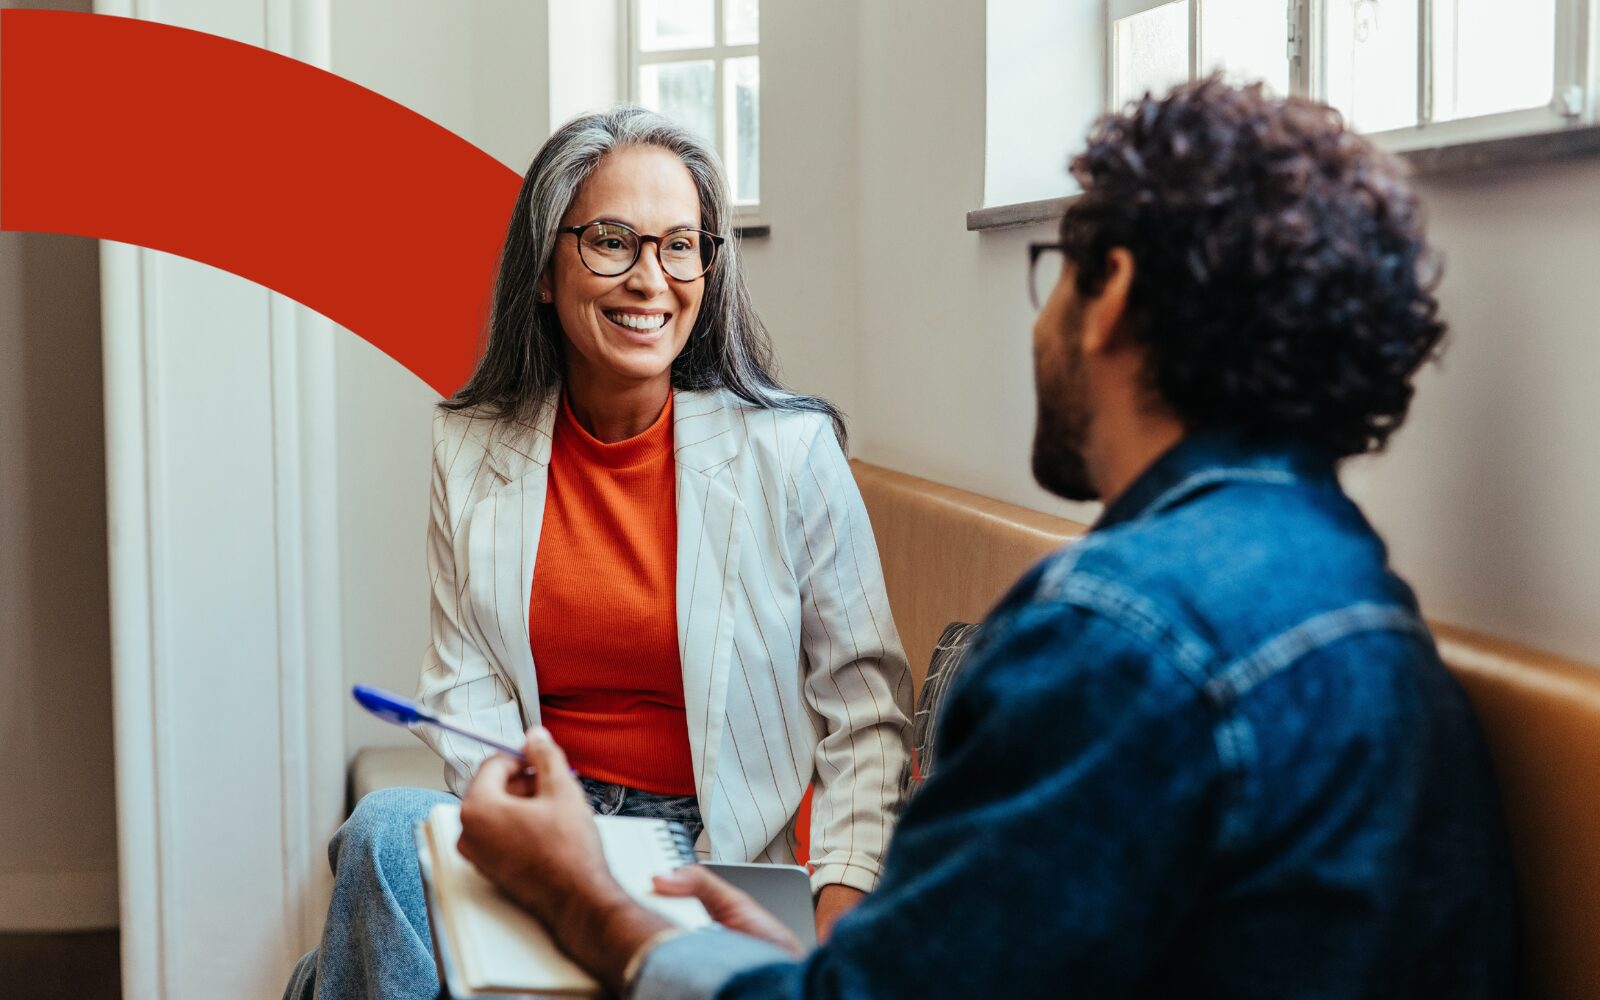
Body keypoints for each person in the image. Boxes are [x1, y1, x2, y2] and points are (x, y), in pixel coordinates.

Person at [452, 77, 1518, 998]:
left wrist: (585, 896)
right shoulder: (1361, 600)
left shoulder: (1114, 646)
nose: (1038, 320)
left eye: (1055, 270)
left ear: (1112, 298)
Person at [283, 107, 913, 1000]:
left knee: (343, 945)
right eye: (612, 241)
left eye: (679, 245)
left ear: (707, 266)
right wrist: (552, 848)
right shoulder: (470, 449)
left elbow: (866, 715)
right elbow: (464, 685)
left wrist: (838, 923)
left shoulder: (791, 453)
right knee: (386, 832)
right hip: (543, 819)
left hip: (707, 860)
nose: (650, 279)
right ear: (544, 270)